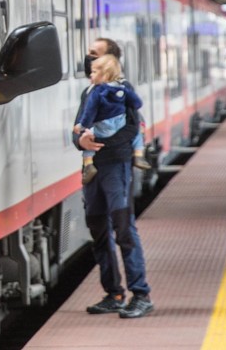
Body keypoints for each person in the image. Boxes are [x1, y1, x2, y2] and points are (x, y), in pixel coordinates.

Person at [74, 38, 154, 319]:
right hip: (93, 170)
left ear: (110, 61)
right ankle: (114, 293)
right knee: (97, 229)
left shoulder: (123, 90)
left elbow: (133, 128)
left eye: (93, 55)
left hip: (116, 168)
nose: (88, 60)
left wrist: (100, 142)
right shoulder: (90, 91)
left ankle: (141, 294)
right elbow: (78, 126)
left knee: (123, 229)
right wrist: (81, 141)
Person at [75, 54, 143, 184]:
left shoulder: (96, 92)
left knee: (89, 136)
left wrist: (82, 126)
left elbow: (89, 112)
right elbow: (137, 103)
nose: (90, 75)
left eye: (94, 72)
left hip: (103, 126)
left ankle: (88, 163)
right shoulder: (123, 88)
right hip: (119, 122)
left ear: (105, 75)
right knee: (138, 133)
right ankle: (139, 154)